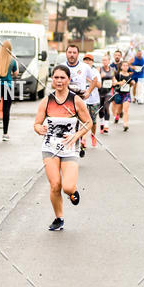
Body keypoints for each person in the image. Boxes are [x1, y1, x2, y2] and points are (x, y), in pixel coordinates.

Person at [34, 64, 92, 231]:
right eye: (56, 77)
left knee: (67, 187)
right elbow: (36, 124)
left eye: (62, 78)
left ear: (68, 80)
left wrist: (76, 135)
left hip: (69, 148)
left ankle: (73, 192)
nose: (59, 81)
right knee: (55, 185)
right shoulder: (47, 101)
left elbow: (88, 122)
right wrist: (40, 129)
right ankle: (59, 218)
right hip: (50, 148)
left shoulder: (76, 101)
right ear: (53, 79)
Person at [64, 44, 97, 156]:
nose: (72, 55)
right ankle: (66, 148)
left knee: (78, 126)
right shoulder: (62, 67)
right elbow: (54, 82)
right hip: (65, 102)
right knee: (66, 126)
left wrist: (88, 92)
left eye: (74, 53)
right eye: (70, 52)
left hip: (80, 102)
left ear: (78, 54)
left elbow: (95, 79)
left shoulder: (84, 67)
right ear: (66, 53)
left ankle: (76, 148)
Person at [82, 52, 101, 146]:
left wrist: (90, 80)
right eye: (85, 59)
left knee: (93, 121)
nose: (87, 61)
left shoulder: (95, 72)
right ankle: (83, 139)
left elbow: (99, 85)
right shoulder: (80, 71)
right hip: (83, 100)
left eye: (89, 60)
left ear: (92, 62)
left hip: (94, 100)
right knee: (84, 120)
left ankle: (93, 135)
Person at [112, 60, 133, 130]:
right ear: (121, 67)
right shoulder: (118, 74)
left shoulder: (130, 75)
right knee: (119, 110)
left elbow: (131, 83)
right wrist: (120, 83)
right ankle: (117, 116)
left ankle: (125, 124)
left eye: (127, 65)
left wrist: (133, 83)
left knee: (126, 110)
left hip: (126, 94)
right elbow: (114, 83)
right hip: (119, 94)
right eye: (124, 65)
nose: (125, 67)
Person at [97, 54, 114, 135]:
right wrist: (100, 76)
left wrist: (115, 82)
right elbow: (95, 80)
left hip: (109, 92)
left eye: (106, 60)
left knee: (106, 106)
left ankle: (106, 125)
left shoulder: (112, 69)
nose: (104, 62)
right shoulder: (99, 69)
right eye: (103, 60)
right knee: (101, 109)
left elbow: (114, 79)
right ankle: (101, 123)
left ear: (109, 61)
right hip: (100, 92)